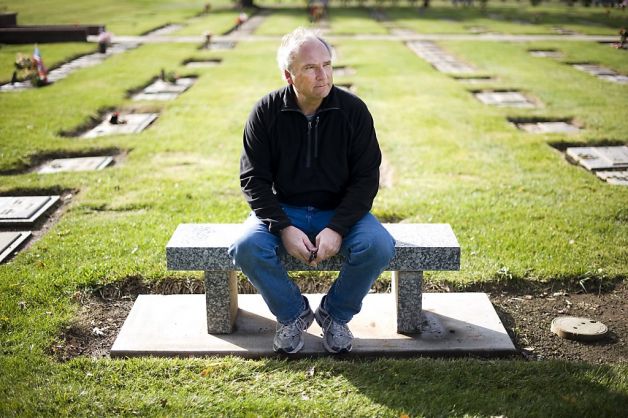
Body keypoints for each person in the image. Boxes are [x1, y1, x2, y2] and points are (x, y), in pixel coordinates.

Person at [229, 27, 395, 354]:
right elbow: (253, 179)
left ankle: (335, 315)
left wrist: (338, 227)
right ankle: (293, 314)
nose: (323, 74)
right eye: (310, 67)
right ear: (288, 75)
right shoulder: (265, 112)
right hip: (285, 208)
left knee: (378, 245)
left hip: (340, 209)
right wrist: (283, 228)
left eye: (327, 64)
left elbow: (366, 179)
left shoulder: (353, 111)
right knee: (245, 246)